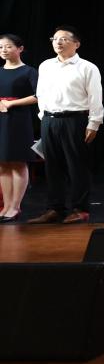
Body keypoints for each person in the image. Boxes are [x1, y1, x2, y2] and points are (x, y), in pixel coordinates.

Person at [26, 26, 103, 225]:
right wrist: (43, 115)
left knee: (77, 166)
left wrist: (94, 123)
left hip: (75, 120)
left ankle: (80, 209)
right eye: (55, 39)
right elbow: (41, 93)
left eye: (64, 39)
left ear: (76, 44)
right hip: (50, 120)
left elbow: (95, 97)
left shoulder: (87, 67)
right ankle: (55, 209)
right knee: (52, 167)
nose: (58, 42)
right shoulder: (46, 65)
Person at [0, 34, 38, 224]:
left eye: (8, 46)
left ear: (20, 49)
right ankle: (6, 206)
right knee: (2, 164)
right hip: (1, 118)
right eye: (1, 47)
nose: (4, 50)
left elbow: (38, 96)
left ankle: (15, 206)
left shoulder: (29, 71)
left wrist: (11, 104)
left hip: (18, 120)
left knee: (18, 162)